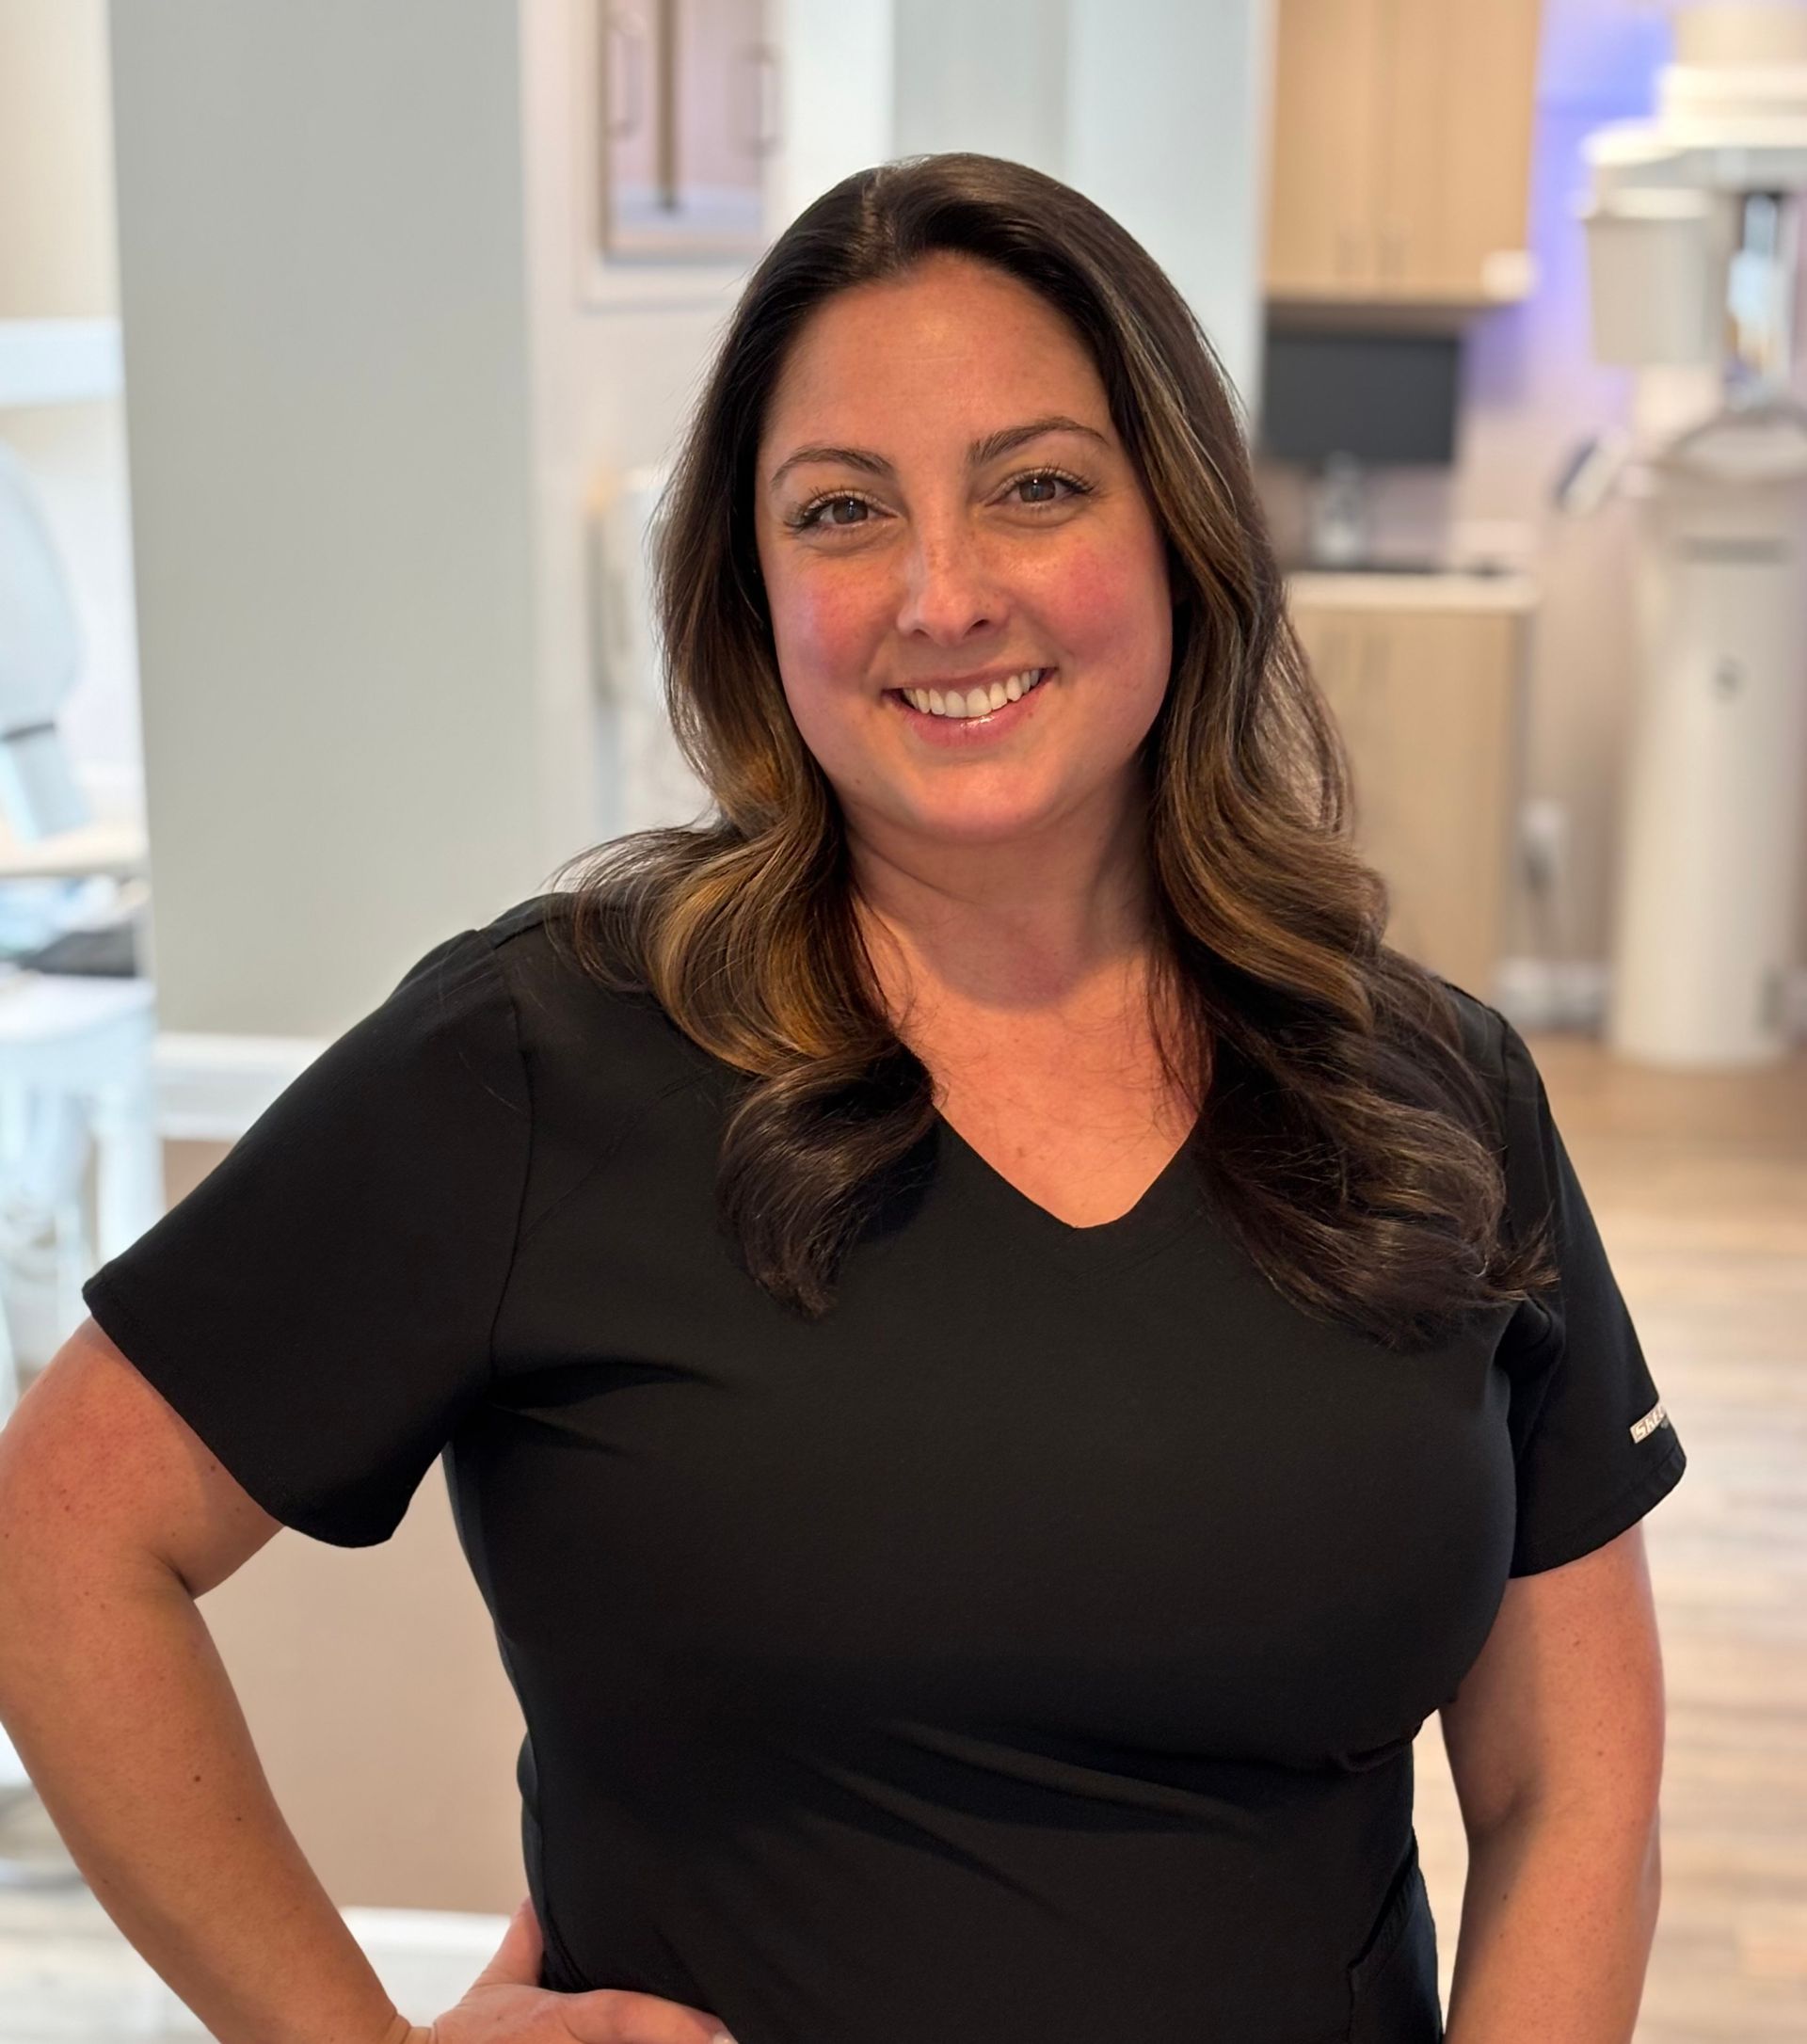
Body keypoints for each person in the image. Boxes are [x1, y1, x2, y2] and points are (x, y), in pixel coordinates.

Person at [0, 152, 1686, 2044]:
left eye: (1037, 487)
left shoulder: (1431, 1092)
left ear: (1181, 527)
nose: (942, 596)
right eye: (841, 513)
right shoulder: (540, 1057)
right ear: (756, 587)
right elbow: (57, 1538)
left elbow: (1573, 1787)